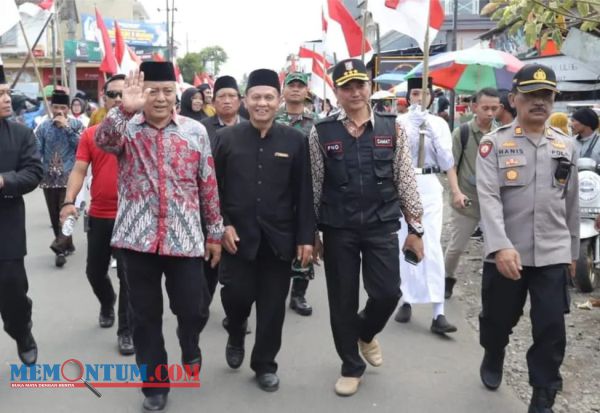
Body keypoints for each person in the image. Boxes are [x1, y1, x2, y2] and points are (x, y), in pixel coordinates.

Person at [96, 62, 223, 413]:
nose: (161, 97)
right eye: (153, 90)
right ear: (141, 92)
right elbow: (103, 141)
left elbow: (208, 184)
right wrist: (125, 108)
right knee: (145, 315)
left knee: (193, 308)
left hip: (184, 239)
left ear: (177, 92)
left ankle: (189, 342)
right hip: (137, 241)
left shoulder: (195, 132)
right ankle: (154, 382)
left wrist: (214, 232)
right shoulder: (126, 130)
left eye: (168, 90)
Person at [309, 59, 424, 396]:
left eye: (360, 84)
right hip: (338, 228)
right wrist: (313, 234)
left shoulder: (392, 129)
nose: (355, 91)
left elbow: (405, 181)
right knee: (341, 300)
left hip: (380, 225)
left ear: (370, 87)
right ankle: (351, 365)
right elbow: (315, 185)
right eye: (347, 86)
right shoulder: (322, 132)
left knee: (388, 292)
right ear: (336, 91)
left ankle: (365, 332)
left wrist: (417, 231)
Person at [476, 64, 578, 413]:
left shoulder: (566, 146)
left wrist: (573, 252)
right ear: (513, 99)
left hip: (552, 252)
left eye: (546, 96)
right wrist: (500, 246)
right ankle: (494, 351)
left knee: (551, 328)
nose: (539, 102)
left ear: (554, 100)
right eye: (531, 96)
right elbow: (488, 199)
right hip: (506, 252)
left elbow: (572, 203)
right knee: (497, 319)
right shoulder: (494, 144)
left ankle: (543, 394)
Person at [213, 68, 314, 392]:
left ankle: (265, 364)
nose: (262, 103)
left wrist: (305, 239)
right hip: (236, 239)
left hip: (278, 240)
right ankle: (236, 329)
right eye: (256, 97)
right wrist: (221, 225)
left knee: (272, 309)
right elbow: (212, 189)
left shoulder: (295, 141)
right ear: (246, 100)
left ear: (279, 100)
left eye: (269, 97)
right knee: (236, 298)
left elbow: (304, 193)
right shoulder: (226, 139)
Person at [59, 74, 134, 356]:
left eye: (122, 94)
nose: (117, 99)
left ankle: (126, 330)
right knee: (94, 271)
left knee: (129, 277)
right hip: (100, 214)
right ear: (104, 98)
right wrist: (68, 201)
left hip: (132, 217)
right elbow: (78, 170)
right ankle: (106, 301)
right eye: (112, 94)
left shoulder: (142, 131)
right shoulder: (91, 135)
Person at [393, 77, 458, 334]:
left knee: (430, 244)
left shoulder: (439, 123)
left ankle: (438, 311)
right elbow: (395, 156)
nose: (421, 98)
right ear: (409, 97)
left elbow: (446, 161)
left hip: (430, 185)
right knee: (405, 241)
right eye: (416, 93)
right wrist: (411, 130)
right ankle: (406, 298)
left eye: (426, 93)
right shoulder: (399, 122)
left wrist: (430, 132)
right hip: (405, 184)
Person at [0, 65, 43, 366]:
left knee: (13, 289)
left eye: (6, 92)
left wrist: (4, 181)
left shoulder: (21, 133)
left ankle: (21, 330)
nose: (6, 99)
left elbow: (33, 172)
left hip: (6, 228)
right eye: (0, 94)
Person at [443, 88, 501, 299]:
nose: (489, 113)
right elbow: (450, 166)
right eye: (485, 108)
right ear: (474, 107)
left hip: (493, 201)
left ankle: (492, 285)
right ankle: (446, 278)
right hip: (467, 198)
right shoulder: (462, 133)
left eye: (494, 108)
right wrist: (456, 192)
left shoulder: (502, 134)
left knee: (494, 247)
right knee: (456, 247)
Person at [199, 75, 246, 301]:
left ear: (240, 100)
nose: (227, 101)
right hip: (208, 206)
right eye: (221, 96)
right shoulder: (201, 129)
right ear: (213, 102)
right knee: (208, 266)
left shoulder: (250, 127)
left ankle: (237, 316)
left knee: (238, 270)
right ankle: (201, 308)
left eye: (231, 96)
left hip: (241, 206)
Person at [275, 71, 316, 316]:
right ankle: (274, 288)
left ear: (306, 91)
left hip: (306, 187)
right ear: (284, 89)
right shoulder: (272, 117)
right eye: (292, 86)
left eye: (301, 86)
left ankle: (298, 293)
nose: (296, 90)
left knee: (306, 238)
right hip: (276, 188)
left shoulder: (316, 122)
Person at [35, 90, 84, 267]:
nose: (59, 111)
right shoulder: (43, 127)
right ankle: (67, 244)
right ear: (51, 107)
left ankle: (59, 247)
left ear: (68, 109)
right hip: (48, 178)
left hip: (69, 178)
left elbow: (82, 146)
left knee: (66, 214)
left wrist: (67, 128)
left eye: (63, 107)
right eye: (56, 107)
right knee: (54, 215)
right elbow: (37, 151)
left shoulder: (76, 125)